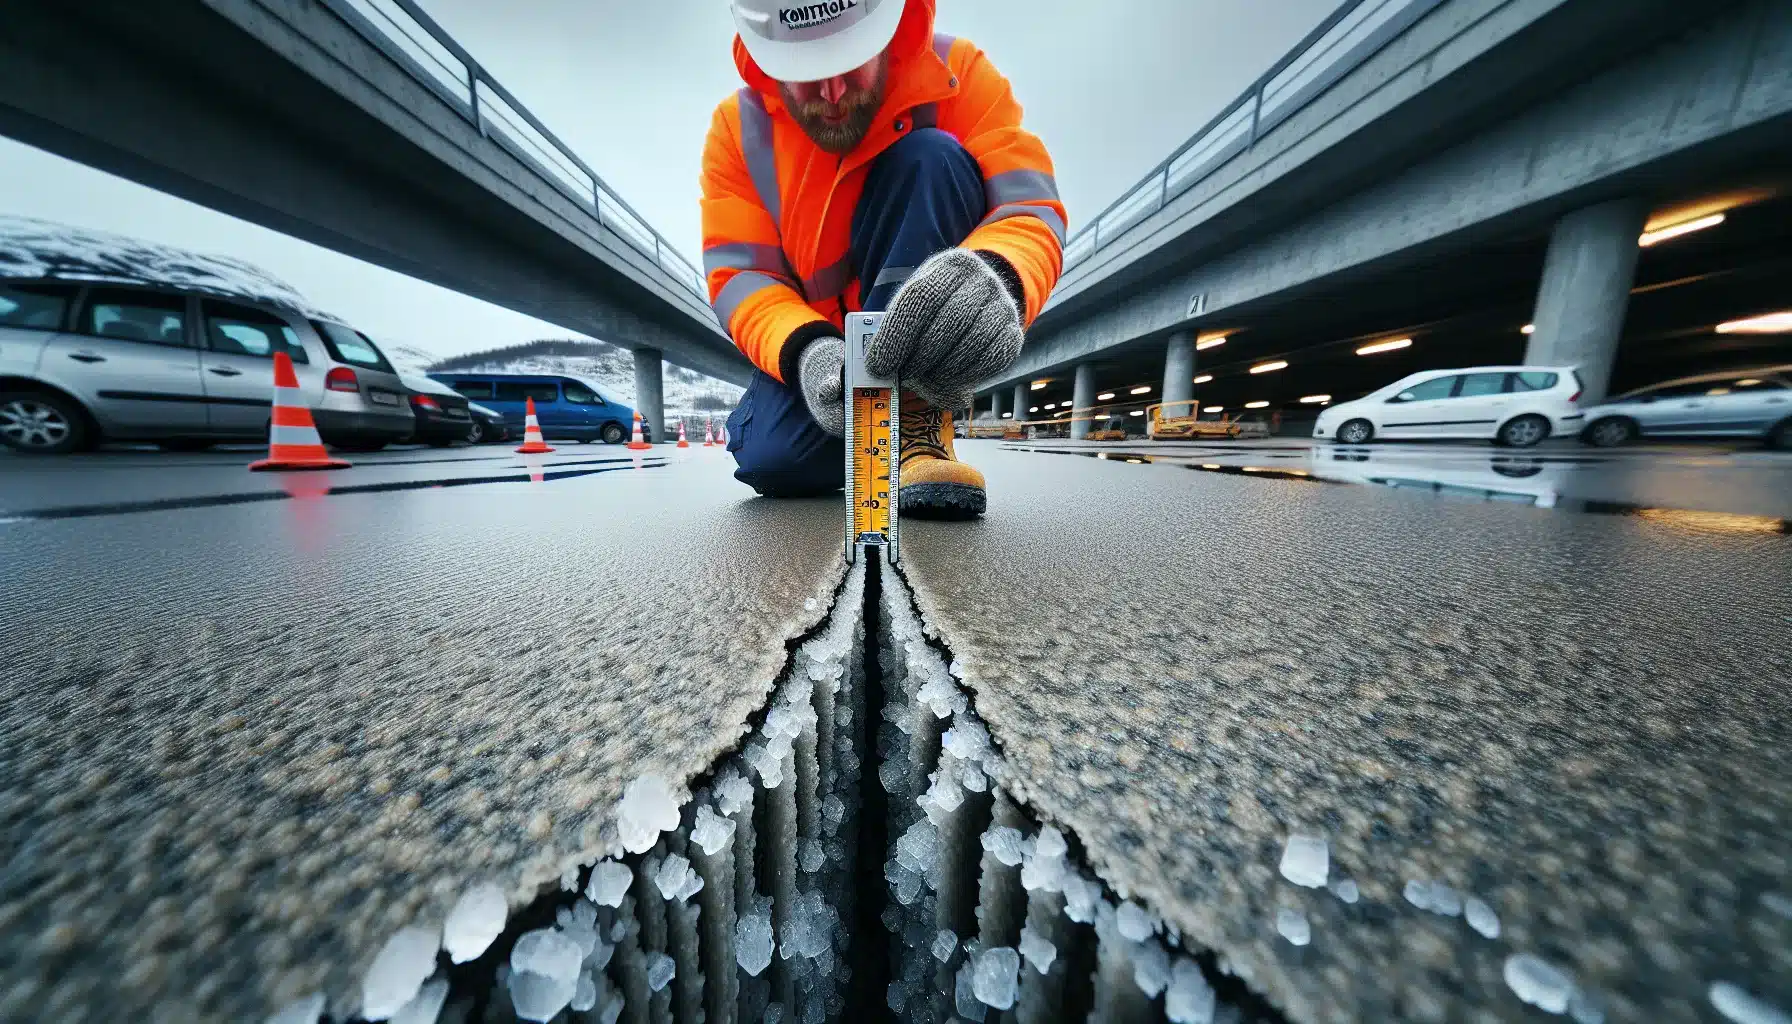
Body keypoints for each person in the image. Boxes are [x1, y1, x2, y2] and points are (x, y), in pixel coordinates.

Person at [703, 0, 1066, 517]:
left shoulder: (955, 74)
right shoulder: (739, 131)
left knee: (932, 158)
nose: (831, 94)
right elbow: (741, 276)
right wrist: (806, 351)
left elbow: (1028, 207)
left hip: (917, 331)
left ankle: (915, 427)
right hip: (820, 345)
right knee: (771, 460)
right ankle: (863, 435)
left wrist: (999, 275)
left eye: (849, 63)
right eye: (807, 74)